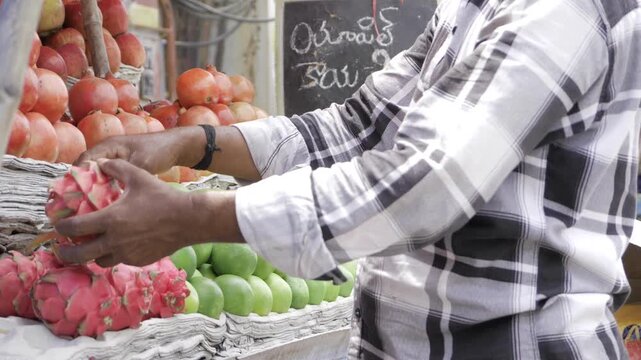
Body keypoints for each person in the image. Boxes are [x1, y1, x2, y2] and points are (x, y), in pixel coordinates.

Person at [53, 0, 641, 358]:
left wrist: (189, 218)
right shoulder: (467, 10)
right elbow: (361, 126)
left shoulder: (563, 9)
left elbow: (423, 186)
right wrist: (191, 142)